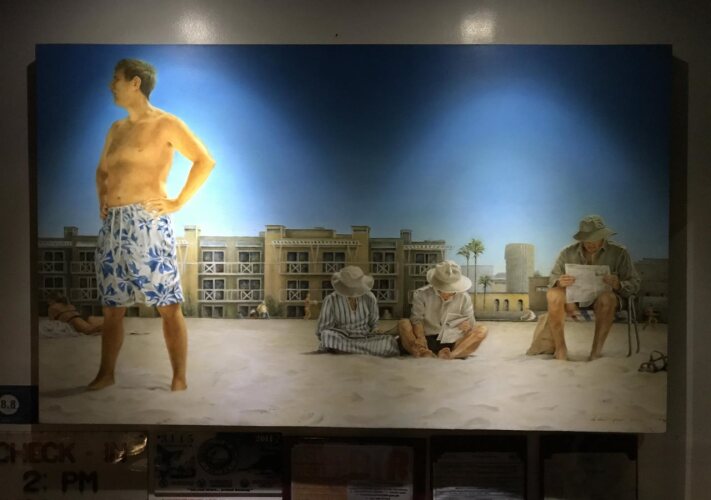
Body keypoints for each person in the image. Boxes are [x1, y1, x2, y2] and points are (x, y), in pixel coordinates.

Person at [92, 58, 216, 391]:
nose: (111, 85)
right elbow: (102, 171)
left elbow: (205, 161)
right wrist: (103, 198)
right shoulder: (116, 129)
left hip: (148, 223)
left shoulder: (166, 123)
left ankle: (179, 378)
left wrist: (177, 202)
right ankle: (106, 374)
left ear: (135, 83)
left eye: (116, 79)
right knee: (112, 306)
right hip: (113, 226)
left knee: (167, 304)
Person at [547, 215, 640, 361]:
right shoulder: (567, 252)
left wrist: (618, 284)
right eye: (586, 239)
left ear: (603, 236)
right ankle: (560, 349)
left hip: (605, 300)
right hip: (574, 298)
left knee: (607, 299)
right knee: (553, 295)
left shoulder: (619, 253)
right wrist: (560, 282)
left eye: (595, 238)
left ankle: (596, 352)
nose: (590, 243)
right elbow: (552, 278)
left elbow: (635, 283)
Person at [398, 260, 487, 359]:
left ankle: (451, 355)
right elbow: (416, 320)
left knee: (482, 330)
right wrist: (421, 338)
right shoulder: (421, 294)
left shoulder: (465, 297)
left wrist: (467, 326)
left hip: (453, 342)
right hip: (426, 338)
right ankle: (422, 352)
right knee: (403, 323)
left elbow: (471, 324)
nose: (449, 293)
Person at [316, 266, 400, 356]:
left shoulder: (369, 297)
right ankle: (365, 350)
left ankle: (347, 350)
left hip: (365, 337)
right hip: (342, 337)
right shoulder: (331, 299)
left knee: (388, 341)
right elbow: (322, 330)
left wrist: (376, 331)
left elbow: (373, 324)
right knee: (327, 335)